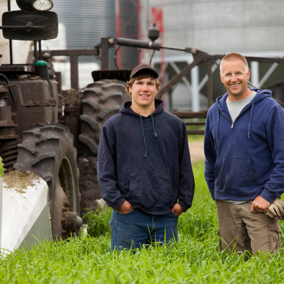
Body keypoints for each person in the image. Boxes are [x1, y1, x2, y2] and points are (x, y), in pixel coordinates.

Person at [97, 64, 195, 251]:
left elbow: (185, 167)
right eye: (139, 83)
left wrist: (183, 202)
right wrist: (119, 203)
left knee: (167, 274)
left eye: (150, 83)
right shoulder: (114, 126)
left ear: (157, 88)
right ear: (129, 88)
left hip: (166, 215)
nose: (145, 88)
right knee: (126, 274)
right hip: (129, 216)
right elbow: (104, 169)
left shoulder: (175, 125)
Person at [204, 53, 284, 255]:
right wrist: (217, 192)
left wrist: (268, 195)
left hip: (258, 204)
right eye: (228, 74)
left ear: (247, 73)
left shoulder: (270, 109)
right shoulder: (214, 112)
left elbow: (282, 158)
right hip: (226, 206)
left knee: (265, 266)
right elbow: (210, 157)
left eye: (238, 73)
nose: (234, 79)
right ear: (221, 77)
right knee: (231, 267)